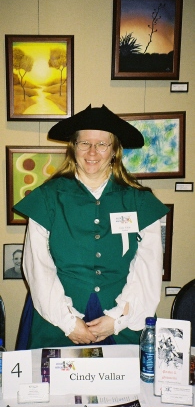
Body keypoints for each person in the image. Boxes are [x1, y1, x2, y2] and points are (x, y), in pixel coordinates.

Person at [14, 104, 169, 349]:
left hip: (123, 321)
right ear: (73, 148)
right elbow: (37, 267)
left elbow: (148, 268)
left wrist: (117, 319)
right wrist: (68, 321)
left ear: (115, 150)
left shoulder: (139, 201)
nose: (92, 152)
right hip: (57, 321)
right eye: (84, 143)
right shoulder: (48, 198)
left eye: (102, 144)